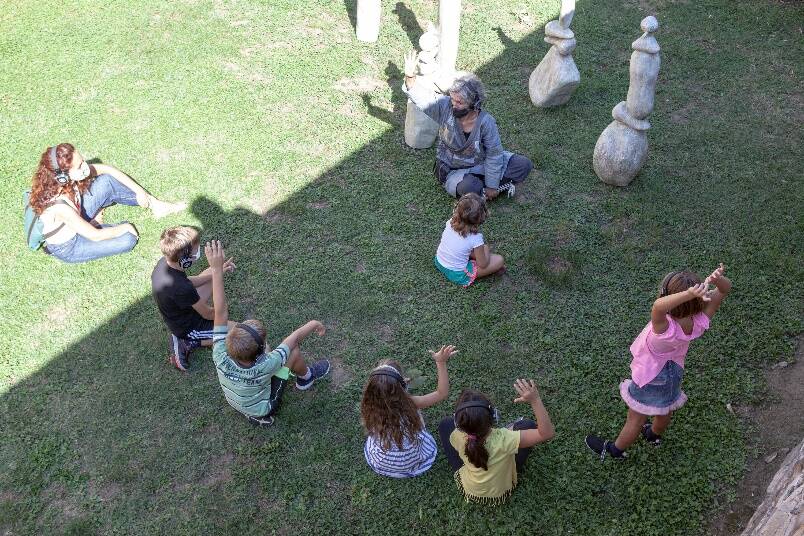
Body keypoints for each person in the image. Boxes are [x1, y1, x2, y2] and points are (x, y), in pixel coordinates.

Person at [585, 263, 732, 460]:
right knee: (665, 408)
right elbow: (725, 289)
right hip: (673, 374)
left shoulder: (663, 327)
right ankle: (654, 435)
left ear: (669, 299)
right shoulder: (699, 319)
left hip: (651, 376)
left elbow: (658, 305)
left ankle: (614, 450)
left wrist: (688, 293)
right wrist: (717, 280)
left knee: (635, 418)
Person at [206, 240, 331, 426]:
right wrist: (313, 323)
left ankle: (251, 407)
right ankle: (306, 378)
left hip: (235, 401)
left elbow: (220, 311)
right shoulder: (266, 364)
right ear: (261, 352)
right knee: (293, 352)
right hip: (262, 406)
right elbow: (293, 340)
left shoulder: (220, 353)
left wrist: (216, 270)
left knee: (282, 352)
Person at [402, 51, 533, 200]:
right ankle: (478, 190)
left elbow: (494, 154)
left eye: (459, 102)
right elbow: (421, 97)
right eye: (452, 99)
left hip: (481, 162)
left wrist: (491, 185)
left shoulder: (486, 122)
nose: (454, 105)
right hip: (453, 168)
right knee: (470, 187)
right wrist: (410, 76)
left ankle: (481, 190)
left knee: (523, 165)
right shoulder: (444, 106)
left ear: (473, 104)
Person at [28, 143, 185, 263]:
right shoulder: (59, 206)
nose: (85, 167)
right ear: (62, 177)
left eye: (82, 161)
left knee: (107, 182)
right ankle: (92, 222)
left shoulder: (67, 179)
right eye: (80, 166)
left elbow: (107, 170)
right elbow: (94, 236)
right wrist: (125, 227)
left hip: (76, 215)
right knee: (128, 238)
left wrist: (141, 193)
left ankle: (157, 206)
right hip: (70, 245)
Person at [438, 380, 555, 504]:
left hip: (471, 489)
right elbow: (547, 433)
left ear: (458, 422)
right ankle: (512, 426)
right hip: (500, 491)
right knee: (528, 424)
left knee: (445, 424)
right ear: (494, 416)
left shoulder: (457, 435)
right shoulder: (505, 439)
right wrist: (535, 400)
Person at [361, 344, 458, 478]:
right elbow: (442, 393)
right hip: (411, 459)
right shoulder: (410, 404)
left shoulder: (368, 407)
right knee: (417, 424)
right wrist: (440, 362)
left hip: (383, 460)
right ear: (401, 385)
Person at [151, 226, 236, 371]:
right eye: (195, 252)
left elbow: (187, 281)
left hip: (181, 309)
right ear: (183, 258)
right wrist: (221, 310)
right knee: (236, 331)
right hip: (189, 327)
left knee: (211, 273)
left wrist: (216, 272)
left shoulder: (164, 263)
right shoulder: (181, 289)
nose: (198, 254)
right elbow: (208, 314)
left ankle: (189, 338)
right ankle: (189, 342)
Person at [434, 193, 505, 287]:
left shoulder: (450, 222)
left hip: (439, 261)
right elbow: (483, 264)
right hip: (457, 274)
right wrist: (486, 249)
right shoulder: (476, 238)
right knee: (499, 260)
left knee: (468, 250)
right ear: (480, 217)